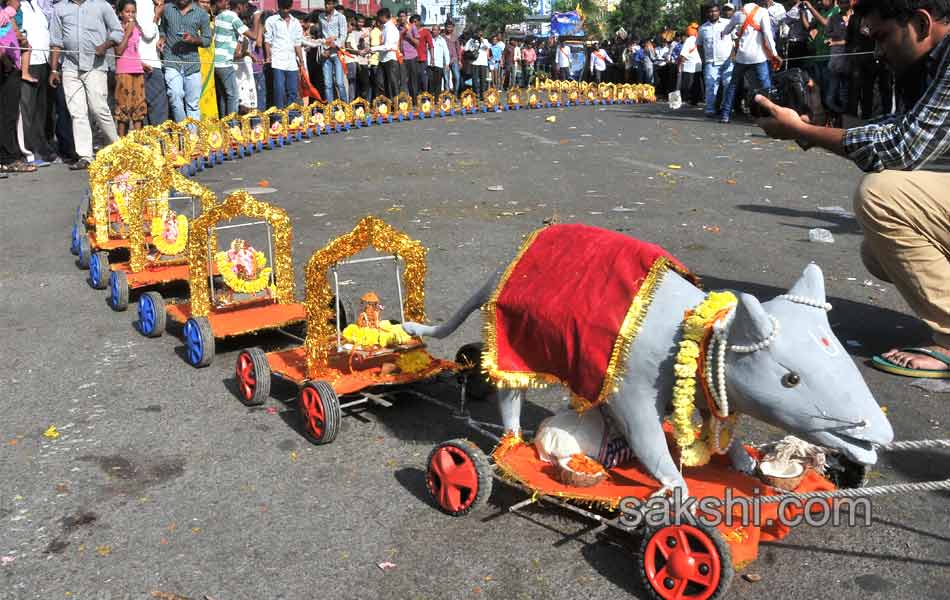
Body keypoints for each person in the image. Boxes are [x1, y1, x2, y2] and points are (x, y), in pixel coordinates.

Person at [756, 0, 950, 378]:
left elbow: (903, 148)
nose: (878, 52)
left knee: (882, 196)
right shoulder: (929, 64)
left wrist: (804, 132)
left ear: (921, 24)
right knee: (878, 250)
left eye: (883, 37)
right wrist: (814, 125)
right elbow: (897, 126)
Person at [49, 0, 123, 169]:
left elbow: (118, 31)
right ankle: (85, 156)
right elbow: (56, 41)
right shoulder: (59, 8)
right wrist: (54, 70)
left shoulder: (101, 5)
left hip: (95, 66)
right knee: (77, 113)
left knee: (99, 109)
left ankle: (118, 149)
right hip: (70, 67)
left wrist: (105, 46)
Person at [719, 1, 780, 123]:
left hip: (741, 57)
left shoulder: (738, 14)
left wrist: (723, 33)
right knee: (765, 87)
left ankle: (725, 115)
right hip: (758, 57)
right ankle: (769, 115)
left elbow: (726, 30)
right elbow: (768, 34)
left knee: (733, 85)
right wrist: (774, 54)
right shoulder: (763, 12)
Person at [157, 0, 212, 122]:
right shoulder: (167, 9)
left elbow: (207, 40)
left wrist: (193, 40)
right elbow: (162, 27)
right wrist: (162, 37)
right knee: (175, 96)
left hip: (192, 63)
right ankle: (183, 131)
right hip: (172, 60)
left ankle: (193, 138)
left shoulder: (201, 14)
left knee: (193, 105)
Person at [18, 0, 56, 164]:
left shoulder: (37, 5)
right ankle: (29, 151)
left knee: (42, 110)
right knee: (27, 110)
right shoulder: (16, 7)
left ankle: (42, 148)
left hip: (43, 62)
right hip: (27, 63)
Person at [0, 1, 33, 174]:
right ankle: (9, 158)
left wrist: (20, 38)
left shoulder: (6, 13)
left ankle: (8, 157)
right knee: (7, 114)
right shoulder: (6, 11)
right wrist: (6, 62)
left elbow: (11, 32)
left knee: (10, 114)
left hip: (11, 65)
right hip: (5, 65)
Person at [211, 0, 257, 116]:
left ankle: (225, 127)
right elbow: (254, 36)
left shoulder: (219, 16)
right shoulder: (233, 17)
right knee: (233, 96)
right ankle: (232, 127)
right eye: (245, 6)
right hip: (225, 63)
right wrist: (257, 20)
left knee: (223, 97)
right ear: (239, 6)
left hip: (215, 62)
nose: (246, 9)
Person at [114, 0, 146, 136]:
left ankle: (138, 139)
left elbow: (134, 50)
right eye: (127, 12)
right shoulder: (118, 28)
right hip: (123, 71)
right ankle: (122, 140)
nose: (130, 15)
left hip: (137, 70)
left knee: (139, 105)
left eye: (133, 12)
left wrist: (142, 64)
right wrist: (127, 32)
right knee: (124, 106)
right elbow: (118, 51)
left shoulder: (137, 28)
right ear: (120, 14)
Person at [264, 0, 303, 108]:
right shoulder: (271, 20)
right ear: (279, 6)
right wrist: (268, 57)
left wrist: (301, 61)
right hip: (277, 61)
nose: (285, 10)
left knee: (293, 91)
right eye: (283, 7)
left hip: (291, 62)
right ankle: (279, 119)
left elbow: (297, 43)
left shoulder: (296, 22)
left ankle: (292, 118)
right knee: (279, 91)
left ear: (290, 6)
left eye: (287, 7)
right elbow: (267, 41)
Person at [698, 2, 734, 118]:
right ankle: (710, 109)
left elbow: (736, 40)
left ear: (719, 12)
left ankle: (725, 108)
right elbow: (699, 45)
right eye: (710, 11)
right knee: (710, 86)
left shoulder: (728, 23)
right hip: (711, 63)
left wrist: (733, 56)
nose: (713, 13)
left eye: (715, 11)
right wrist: (704, 59)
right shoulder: (703, 28)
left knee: (728, 84)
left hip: (728, 61)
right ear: (707, 13)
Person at [824, 0, 852, 126]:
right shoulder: (834, 18)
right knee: (830, 97)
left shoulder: (856, 18)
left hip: (850, 61)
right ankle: (836, 117)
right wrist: (836, 35)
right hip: (835, 60)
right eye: (841, 2)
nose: (843, 5)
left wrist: (837, 41)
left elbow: (855, 40)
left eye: (845, 2)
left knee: (845, 95)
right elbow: (827, 33)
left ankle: (843, 121)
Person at [319, 0, 346, 102]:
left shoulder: (340, 17)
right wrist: (323, 48)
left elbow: (343, 35)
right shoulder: (321, 17)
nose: (327, 6)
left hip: (337, 53)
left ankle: (345, 107)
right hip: (325, 55)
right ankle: (330, 110)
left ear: (334, 4)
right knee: (328, 84)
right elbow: (322, 35)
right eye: (326, 3)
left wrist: (334, 44)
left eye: (329, 3)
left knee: (339, 83)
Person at [369, 7, 398, 99]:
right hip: (383, 59)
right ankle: (386, 103)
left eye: (378, 17)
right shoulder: (385, 28)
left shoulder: (390, 28)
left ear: (383, 16)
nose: (377, 19)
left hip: (390, 58)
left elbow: (388, 46)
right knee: (381, 82)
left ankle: (395, 104)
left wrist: (372, 49)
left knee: (391, 84)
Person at [678, 23, 702, 105]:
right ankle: (695, 100)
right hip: (698, 65)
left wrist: (680, 66)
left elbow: (683, 54)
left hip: (689, 66)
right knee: (696, 84)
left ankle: (689, 99)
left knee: (688, 85)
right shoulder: (699, 39)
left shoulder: (689, 40)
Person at [464, 30, 489, 97]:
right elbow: (465, 49)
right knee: (474, 80)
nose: (479, 36)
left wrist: (482, 41)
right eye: (478, 34)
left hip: (483, 63)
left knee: (483, 80)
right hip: (474, 63)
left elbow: (486, 48)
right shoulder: (471, 40)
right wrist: (472, 46)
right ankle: (475, 94)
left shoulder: (485, 40)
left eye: (481, 35)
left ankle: (482, 95)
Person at [411, 14, 431, 93]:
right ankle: (417, 96)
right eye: (412, 22)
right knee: (415, 78)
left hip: (422, 58)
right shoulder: (410, 32)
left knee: (423, 78)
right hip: (413, 59)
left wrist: (432, 58)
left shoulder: (425, 32)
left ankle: (425, 95)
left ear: (419, 21)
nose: (414, 23)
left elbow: (430, 45)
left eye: (415, 21)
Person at [427, 23, 449, 94]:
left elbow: (446, 52)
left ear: (439, 31)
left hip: (439, 64)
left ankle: (437, 99)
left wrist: (447, 64)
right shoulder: (428, 39)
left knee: (438, 82)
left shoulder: (442, 40)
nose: (434, 31)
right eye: (433, 30)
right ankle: (430, 98)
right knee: (430, 81)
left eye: (436, 30)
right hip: (430, 64)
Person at [444, 20, 460, 94]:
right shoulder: (442, 37)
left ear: (453, 28)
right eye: (448, 27)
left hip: (454, 59)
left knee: (457, 77)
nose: (449, 29)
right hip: (445, 61)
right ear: (445, 27)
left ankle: (455, 94)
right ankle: (447, 95)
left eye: (451, 27)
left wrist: (459, 60)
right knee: (446, 79)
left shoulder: (455, 37)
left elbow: (458, 49)